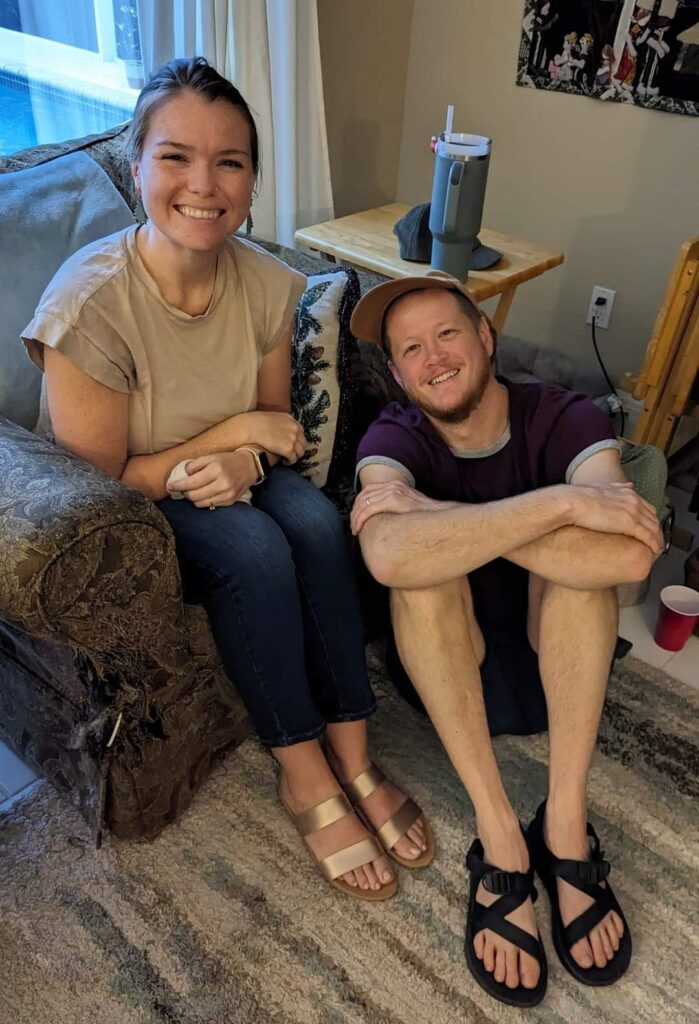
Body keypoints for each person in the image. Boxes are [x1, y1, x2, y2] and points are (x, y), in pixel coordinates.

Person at [21, 56, 434, 900]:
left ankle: (352, 751)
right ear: (136, 168)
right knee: (252, 550)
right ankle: (302, 773)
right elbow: (98, 484)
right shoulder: (87, 304)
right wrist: (235, 437)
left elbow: (275, 425)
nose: (202, 183)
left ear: (249, 180)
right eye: (174, 156)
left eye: (229, 161)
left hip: (228, 467)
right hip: (125, 496)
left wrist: (246, 450)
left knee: (317, 523)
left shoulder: (265, 282)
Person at [349, 271, 662, 1004]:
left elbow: (625, 557)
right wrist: (560, 506)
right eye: (411, 349)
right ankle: (500, 836)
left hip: (561, 672)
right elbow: (389, 555)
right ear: (397, 373)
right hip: (450, 676)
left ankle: (564, 825)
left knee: (583, 581)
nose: (434, 359)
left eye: (448, 334)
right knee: (418, 581)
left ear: (485, 338)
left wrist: (439, 516)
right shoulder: (391, 437)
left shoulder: (565, 416)